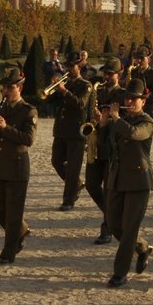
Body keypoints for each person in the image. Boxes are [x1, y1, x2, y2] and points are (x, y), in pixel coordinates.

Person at [103, 78, 153, 286]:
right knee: (115, 225)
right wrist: (102, 125)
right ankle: (142, 247)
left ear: (143, 101)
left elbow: (135, 135)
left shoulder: (148, 121)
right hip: (117, 179)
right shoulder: (119, 120)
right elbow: (105, 146)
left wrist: (116, 119)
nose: (131, 102)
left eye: (136, 99)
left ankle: (120, 273)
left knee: (129, 228)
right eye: (128, 99)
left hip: (138, 180)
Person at [0, 68, 37, 264]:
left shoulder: (28, 110)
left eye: (10, 87)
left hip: (17, 167)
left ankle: (8, 253)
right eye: (5, 87)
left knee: (14, 214)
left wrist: (6, 128)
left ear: (20, 88)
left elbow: (28, 139)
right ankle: (21, 232)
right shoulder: (0, 108)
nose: (6, 90)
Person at [84, 60, 124, 243]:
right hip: (97, 144)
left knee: (109, 190)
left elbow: (123, 122)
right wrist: (94, 120)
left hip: (112, 147)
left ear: (119, 75)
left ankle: (107, 229)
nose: (106, 77)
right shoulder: (98, 91)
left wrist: (107, 121)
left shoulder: (122, 95)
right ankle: (112, 212)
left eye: (110, 74)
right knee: (91, 184)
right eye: (105, 73)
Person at [47, 52, 93, 210]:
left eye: (71, 66)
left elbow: (80, 104)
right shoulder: (63, 83)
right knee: (56, 161)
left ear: (78, 67)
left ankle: (68, 200)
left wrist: (64, 91)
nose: (68, 68)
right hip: (61, 130)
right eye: (66, 66)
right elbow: (49, 100)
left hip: (76, 131)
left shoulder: (85, 85)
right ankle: (77, 184)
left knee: (73, 167)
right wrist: (52, 88)